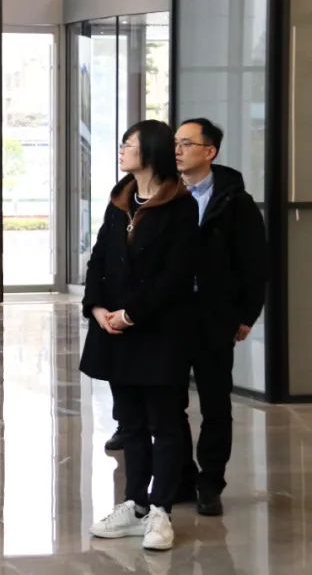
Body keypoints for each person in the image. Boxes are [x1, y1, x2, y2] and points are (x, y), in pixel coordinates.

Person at [81, 120, 199, 552]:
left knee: (164, 423)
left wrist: (131, 314)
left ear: (149, 151)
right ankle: (134, 505)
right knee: (129, 423)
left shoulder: (180, 205)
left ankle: (161, 510)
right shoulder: (120, 200)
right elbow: (98, 259)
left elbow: (176, 274)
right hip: (116, 331)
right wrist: (97, 308)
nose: (122, 150)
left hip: (159, 331)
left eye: (128, 144)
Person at [174, 118, 267, 516]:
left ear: (209, 151)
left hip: (214, 316)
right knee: (169, 402)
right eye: (175, 143)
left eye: (186, 143)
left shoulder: (235, 201)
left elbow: (254, 262)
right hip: (170, 316)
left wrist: (246, 314)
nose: (177, 150)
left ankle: (210, 482)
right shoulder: (166, 194)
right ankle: (181, 477)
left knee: (215, 403)